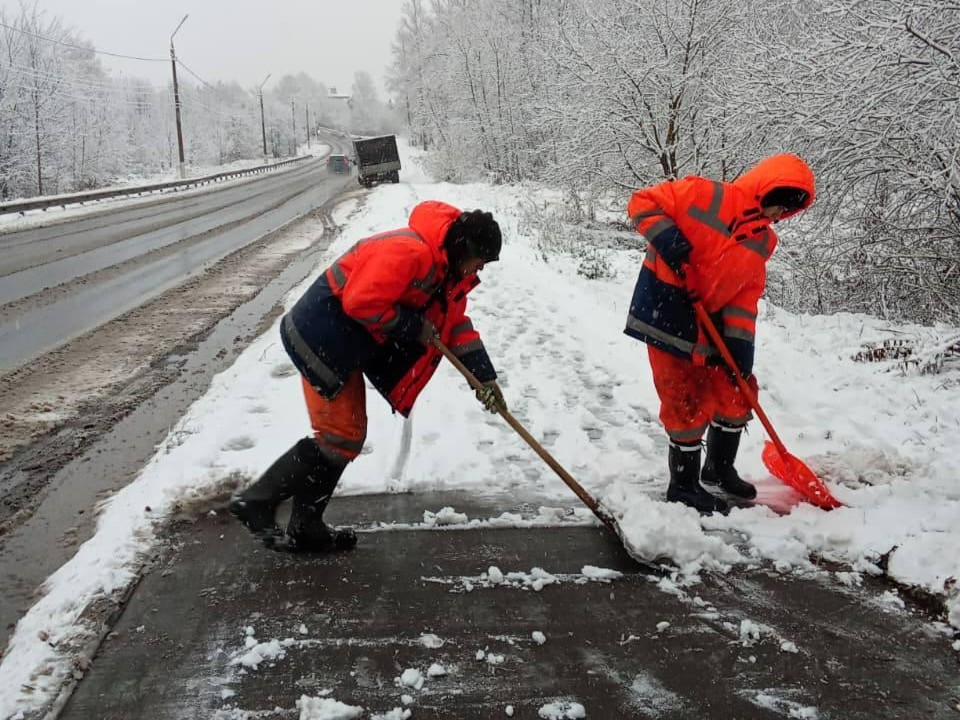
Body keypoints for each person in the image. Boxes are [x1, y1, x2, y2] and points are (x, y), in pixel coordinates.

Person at [231, 201, 507, 551]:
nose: (480, 269)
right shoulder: (409, 252)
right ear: (462, 248)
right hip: (320, 334)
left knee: (344, 436)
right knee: (340, 435)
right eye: (480, 260)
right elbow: (360, 302)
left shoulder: (447, 273)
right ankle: (257, 502)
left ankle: (305, 524)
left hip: (344, 340)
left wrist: (484, 379)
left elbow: (454, 327)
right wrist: (413, 326)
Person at [624, 154, 815, 514]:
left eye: (785, 213)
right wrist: (671, 242)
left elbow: (745, 295)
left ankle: (719, 469)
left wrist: (740, 347)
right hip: (666, 305)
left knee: (737, 389)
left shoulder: (763, 241)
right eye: (778, 206)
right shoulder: (705, 194)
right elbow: (642, 202)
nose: (778, 216)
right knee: (683, 397)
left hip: (712, 317)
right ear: (767, 189)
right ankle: (683, 485)